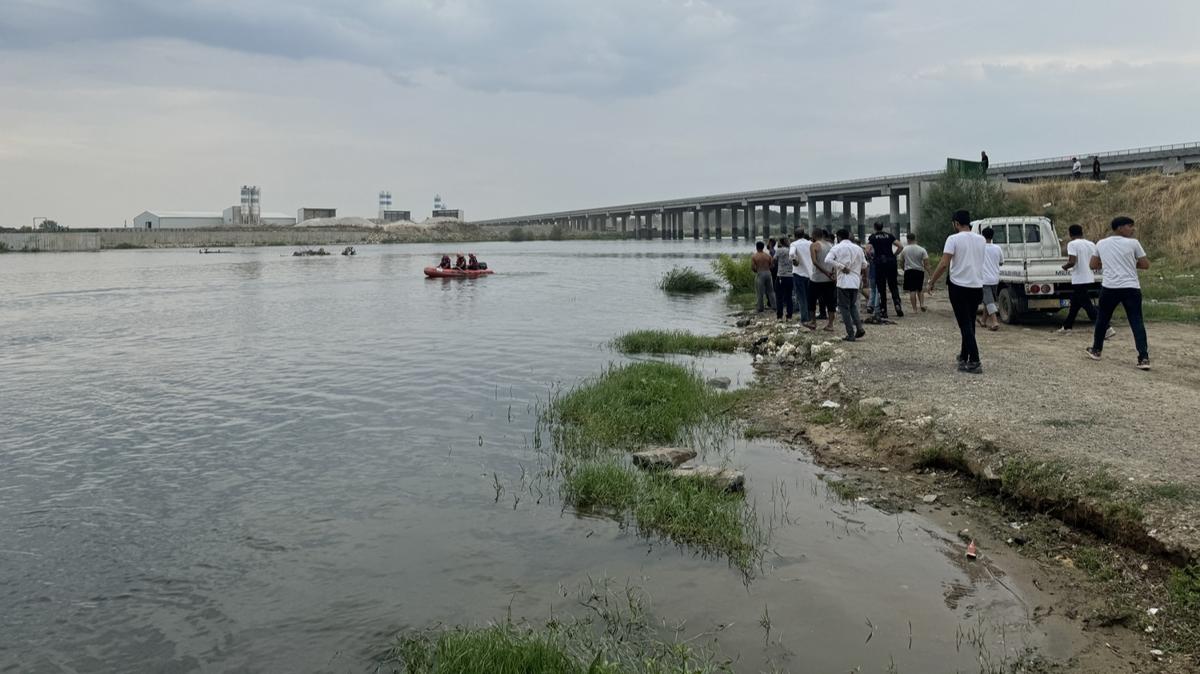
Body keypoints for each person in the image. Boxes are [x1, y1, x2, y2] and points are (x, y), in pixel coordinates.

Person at [1086, 216, 1151, 370]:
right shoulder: (1134, 243)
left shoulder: (1101, 243)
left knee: (1102, 319)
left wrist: (1108, 263)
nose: (1133, 229)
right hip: (1131, 288)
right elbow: (1145, 264)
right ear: (1120, 227)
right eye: (1130, 226)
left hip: (1110, 288)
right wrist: (1130, 263)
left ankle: (1096, 350)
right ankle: (1143, 358)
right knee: (1136, 321)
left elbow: (1093, 264)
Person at [928, 210, 986, 373]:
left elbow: (944, 263)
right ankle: (964, 356)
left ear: (956, 223)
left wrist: (931, 281)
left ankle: (974, 361)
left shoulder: (953, 239)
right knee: (969, 321)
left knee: (964, 324)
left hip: (959, 285)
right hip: (976, 285)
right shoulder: (981, 239)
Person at [1057, 224, 1112, 337]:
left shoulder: (1072, 244)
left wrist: (1065, 267)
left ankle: (1106, 328)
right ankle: (1067, 326)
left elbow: (1072, 261)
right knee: (1075, 304)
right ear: (1081, 232)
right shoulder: (1091, 244)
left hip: (1079, 279)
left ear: (1070, 233)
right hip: (1089, 277)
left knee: (1088, 306)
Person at [824, 229, 867, 342]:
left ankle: (850, 333)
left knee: (844, 308)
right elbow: (864, 264)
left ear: (838, 237)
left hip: (843, 282)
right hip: (855, 281)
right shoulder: (858, 248)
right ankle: (859, 328)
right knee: (852, 306)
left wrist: (841, 266)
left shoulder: (836, 248)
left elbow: (827, 260)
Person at [867, 222, 904, 318]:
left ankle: (884, 310)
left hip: (879, 263)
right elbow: (900, 246)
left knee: (881, 287)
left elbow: (868, 250)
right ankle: (897, 303)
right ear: (882, 227)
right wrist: (894, 255)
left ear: (875, 227)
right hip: (891, 262)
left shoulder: (872, 237)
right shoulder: (889, 236)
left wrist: (871, 258)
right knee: (893, 285)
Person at [809, 229, 837, 331]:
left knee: (811, 300)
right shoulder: (831, 245)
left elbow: (814, 262)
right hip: (829, 279)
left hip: (816, 279)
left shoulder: (814, 245)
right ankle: (830, 324)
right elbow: (834, 261)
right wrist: (832, 273)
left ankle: (813, 322)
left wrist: (825, 272)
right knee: (830, 301)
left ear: (814, 235)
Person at [789, 229, 815, 328]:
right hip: (810, 273)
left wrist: (795, 260)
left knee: (801, 297)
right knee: (809, 297)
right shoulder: (810, 243)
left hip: (799, 274)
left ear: (795, 236)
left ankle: (804, 318)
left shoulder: (794, 244)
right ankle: (810, 317)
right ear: (803, 235)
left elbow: (791, 254)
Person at [980, 227, 1004, 331]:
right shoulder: (997, 248)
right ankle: (983, 321)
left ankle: (994, 322)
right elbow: (1001, 262)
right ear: (992, 236)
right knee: (988, 300)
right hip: (995, 279)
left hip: (984, 279)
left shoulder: (980, 248)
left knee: (989, 301)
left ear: (982, 236)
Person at [900, 232, 929, 313]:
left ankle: (914, 309)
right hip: (919, 271)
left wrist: (904, 269)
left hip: (909, 271)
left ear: (907, 239)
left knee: (912, 290)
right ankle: (922, 304)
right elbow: (926, 263)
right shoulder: (922, 249)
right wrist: (930, 273)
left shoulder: (905, 249)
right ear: (915, 238)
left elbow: (901, 262)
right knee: (920, 289)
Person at [751, 241, 776, 313]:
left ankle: (760, 308)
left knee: (760, 292)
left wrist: (757, 271)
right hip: (768, 273)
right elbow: (772, 265)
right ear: (763, 247)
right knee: (771, 291)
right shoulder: (768, 256)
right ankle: (774, 306)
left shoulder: (754, 256)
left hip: (760, 273)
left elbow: (753, 267)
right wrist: (768, 269)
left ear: (756, 247)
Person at [774, 235, 794, 321]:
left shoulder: (779, 250)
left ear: (780, 242)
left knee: (779, 297)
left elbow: (774, 259)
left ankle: (779, 317)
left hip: (781, 276)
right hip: (790, 276)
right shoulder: (791, 250)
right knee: (789, 297)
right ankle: (789, 316)